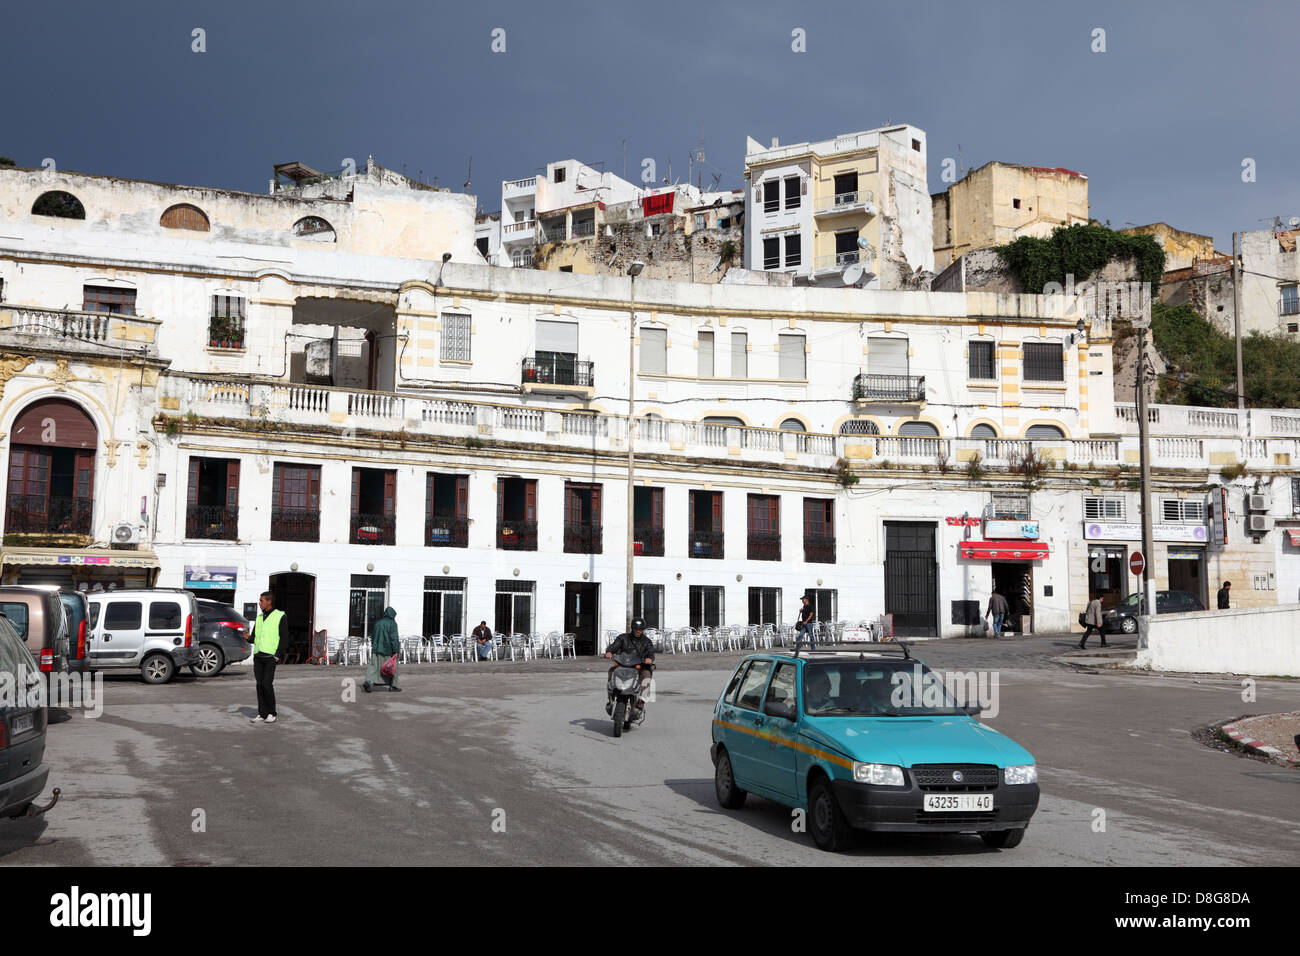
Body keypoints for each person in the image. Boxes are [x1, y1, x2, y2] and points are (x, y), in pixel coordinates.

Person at [604, 617, 655, 713]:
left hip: (639, 665)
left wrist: (649, 658)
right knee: (612, 670)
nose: (638, 631)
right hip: (624, 664)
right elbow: (614, 645)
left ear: (643, 630)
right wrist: (609, 651)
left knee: (647, 674)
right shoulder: (623, 638)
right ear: (632, 628)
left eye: (640, 629)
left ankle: (641, 699)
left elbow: (650, 652)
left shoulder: (647, 641)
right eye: (636, 628)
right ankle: (611, 694)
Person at [250, 591, 286, 723]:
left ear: (269, 601)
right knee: (259, 685)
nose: (260, 603)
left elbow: (284, 639)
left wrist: (277, 656)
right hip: (258, 655)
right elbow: (254, 637)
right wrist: (247, 638)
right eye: (260, 601)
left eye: (261, 601)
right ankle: (262, 714)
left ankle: (272, 713)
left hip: (271, 656)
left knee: (266, 684)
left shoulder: (280, 616)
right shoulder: (259, 618)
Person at [363, 606, 402, 693]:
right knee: (392, 667)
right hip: (388, 650)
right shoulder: (393, 623)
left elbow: (373, 636)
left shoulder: (378, 623)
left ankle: (368, 681)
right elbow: (394, 638)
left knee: (374, 667)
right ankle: (393, 686)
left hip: (376, 649)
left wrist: (375, 645)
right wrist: (396, 651)